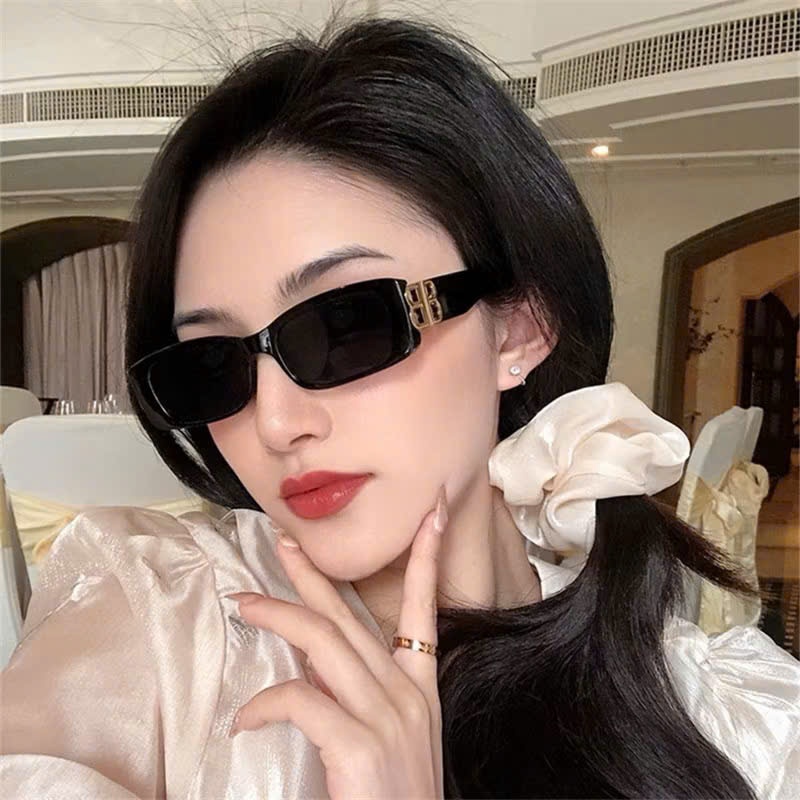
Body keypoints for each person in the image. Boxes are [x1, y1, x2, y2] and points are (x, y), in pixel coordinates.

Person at [2, 14, 798, 800]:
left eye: (345, 324)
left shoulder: (740, 720)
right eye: (212, 365)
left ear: (520, 327)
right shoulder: (153, 615)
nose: (276, 424)